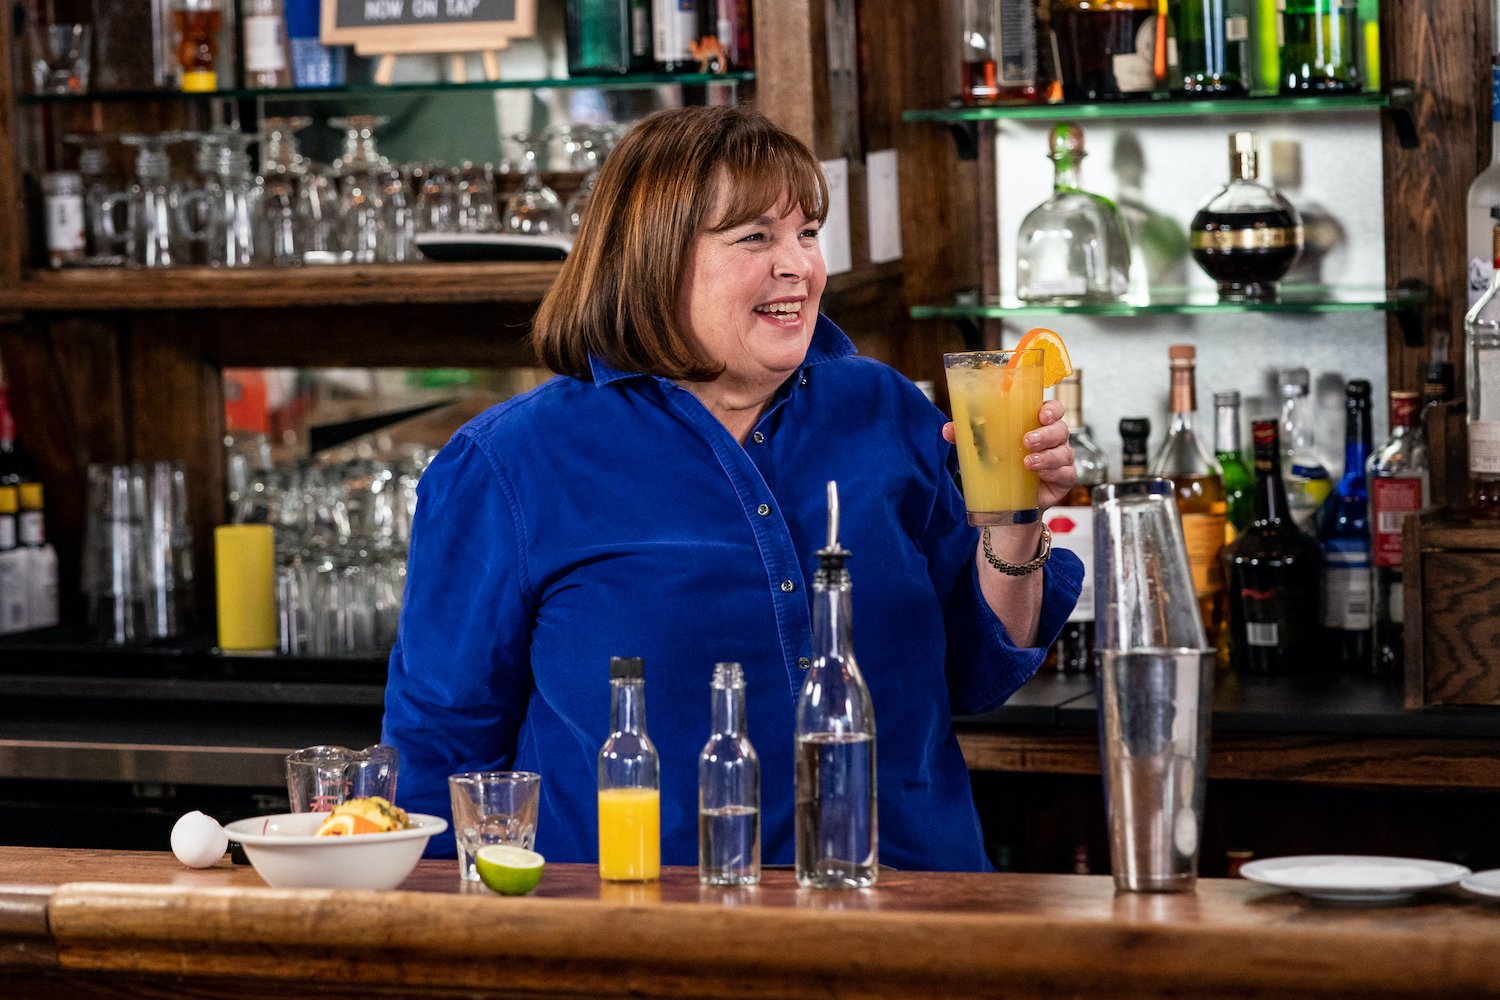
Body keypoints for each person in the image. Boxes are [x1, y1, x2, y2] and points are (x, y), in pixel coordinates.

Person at [382, 105, 1082, 872]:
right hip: (643, 941)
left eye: (807, 234)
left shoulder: (883, 410)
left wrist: (1014, 523)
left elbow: (978, 672)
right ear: (652, 257)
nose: (800, 267)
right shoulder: (508, 462)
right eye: (756, 237)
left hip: (913, 917)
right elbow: (439, 761)